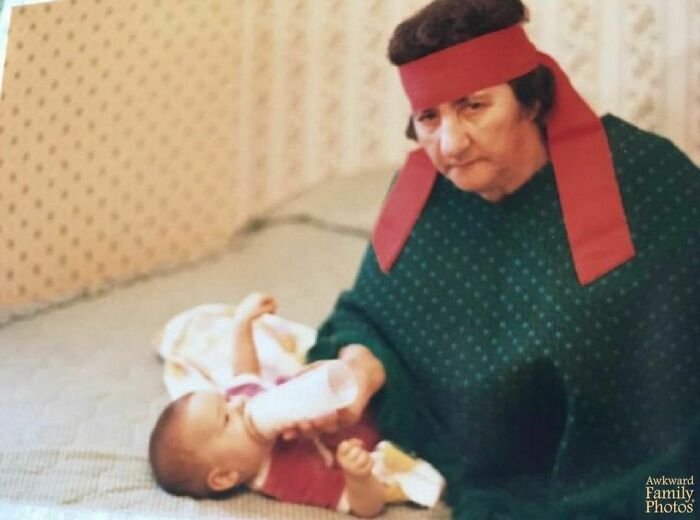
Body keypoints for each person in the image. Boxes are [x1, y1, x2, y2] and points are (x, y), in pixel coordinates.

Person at [300, 1, 700, 519]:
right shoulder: (422, 196)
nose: (450, 143)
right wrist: (360, 368)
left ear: (530, 102)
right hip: (493, 474)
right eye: (429, 117)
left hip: (653, 466)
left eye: (473, 106)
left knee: (675, 505)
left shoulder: (645, 176)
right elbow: (368, 318)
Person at [148, 293, 444, 517]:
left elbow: (243, 374)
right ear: (225, 477)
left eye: (225, 400)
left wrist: (242, 325)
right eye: (225, 418)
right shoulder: (286, 476)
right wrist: (358, 476)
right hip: (385, 412)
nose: (237, 402)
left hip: (352, 375)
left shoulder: (246, 401)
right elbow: (364, 507)